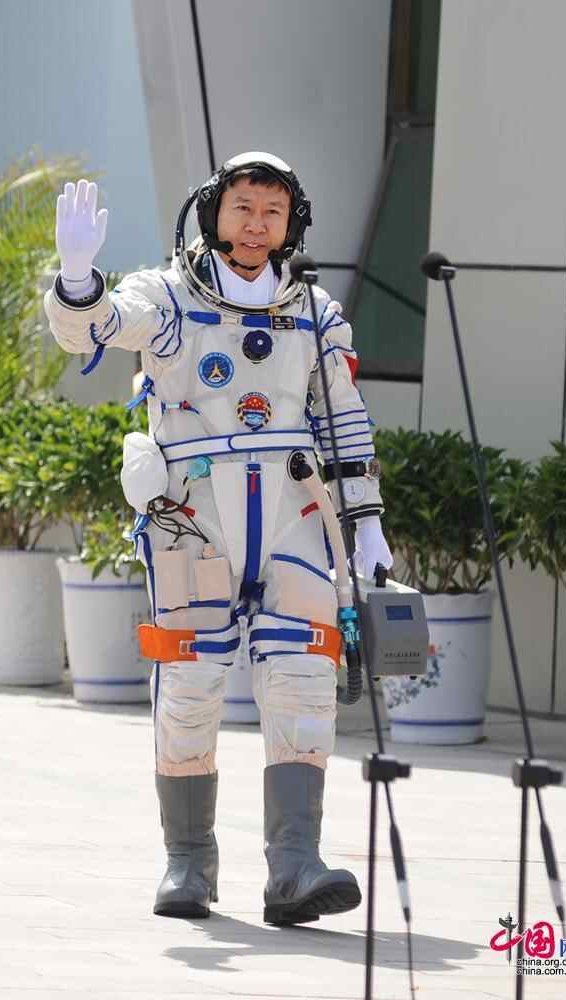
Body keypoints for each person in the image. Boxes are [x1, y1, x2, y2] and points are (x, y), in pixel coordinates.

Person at [44, 151, 393, 925]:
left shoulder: (313, 313)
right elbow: (97, 327)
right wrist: (76, 277)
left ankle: (295, 865)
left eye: (272, 211)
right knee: (190, 681)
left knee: (304, 679)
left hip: (294, 516)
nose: (257, 224)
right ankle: (188, 862)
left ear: (292, 223)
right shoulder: (167, 298)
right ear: (213, 213)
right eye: (244, 207)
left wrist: (366, 520)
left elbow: (344, 419)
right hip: (194, 519)